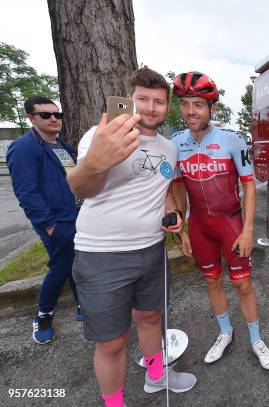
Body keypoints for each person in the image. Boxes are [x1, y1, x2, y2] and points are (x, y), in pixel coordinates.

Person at [67, 67, 196, 407]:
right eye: (143, 100)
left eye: (159, 101)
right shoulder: (102, 135)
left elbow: (163, 189)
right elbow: (82, 188)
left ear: (167, 106)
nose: (151, 108)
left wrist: (175, 216)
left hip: (152, 250)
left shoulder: (169, 148)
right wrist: (97, 160)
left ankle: (157, 377)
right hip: (102, 254)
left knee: (151, 318)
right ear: (131, 100)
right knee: (112, 343)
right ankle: (115, 403)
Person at [171, 71, 269, 370]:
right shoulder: (176, 143)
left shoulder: (232, 139)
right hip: (199, 226)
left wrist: (248, 230)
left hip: (230, 224)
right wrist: (182, 233)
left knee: (243, 285)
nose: (191, 111)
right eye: (186, 104)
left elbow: (248, 186)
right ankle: (225, 333)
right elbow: (176, 188)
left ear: (211, 109)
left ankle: (256, 340)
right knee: (212, 281)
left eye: (199, 105)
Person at [7, 96, 81, 344]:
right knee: (61, 266)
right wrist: (49, 225)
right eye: (45, 115)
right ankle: (43, 315)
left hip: (77, 216)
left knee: (76, 259)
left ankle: (82, 304)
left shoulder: (62, 146)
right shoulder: (23, 147)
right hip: (55, 221)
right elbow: (26, 193)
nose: (53, 119)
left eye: (56, 114)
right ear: (31, 117)